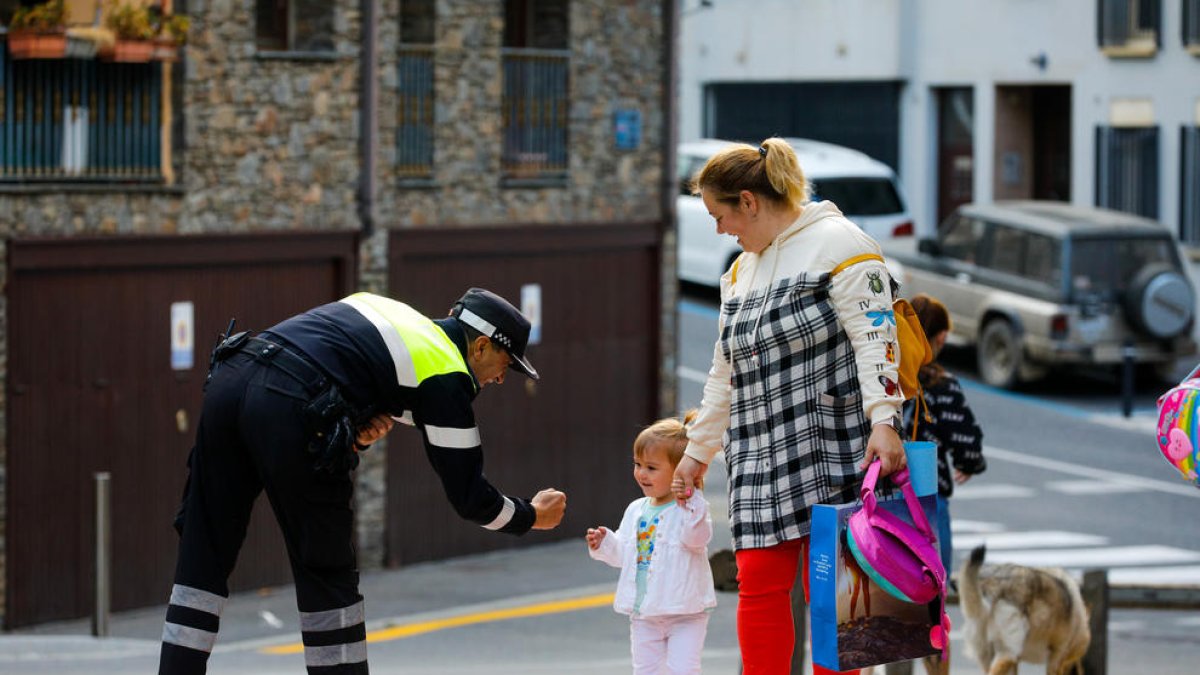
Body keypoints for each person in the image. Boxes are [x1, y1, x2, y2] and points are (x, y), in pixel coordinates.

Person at [158, 288, 568, 675]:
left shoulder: (395, 315)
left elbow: (326, 362)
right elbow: (471, 498)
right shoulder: (446, 372)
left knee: (203, 551)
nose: (501, 378)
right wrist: (532, 515)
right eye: (506, 364)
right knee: (326, 573)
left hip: (232, 374)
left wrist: (352, 427)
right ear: (480, 347)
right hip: (291, 401)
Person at [671, 137, 907, 675]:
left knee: (832, 589)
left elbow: (877, 337)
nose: (720, 230)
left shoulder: (841, 242)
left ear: (748, 202)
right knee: (757, 582)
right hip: (757, 448)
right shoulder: (739, 273)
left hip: (833, 442)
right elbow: (724, 371)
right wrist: (697, 452)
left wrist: (884, 421)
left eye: (720, 216)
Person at [586, 412, 717, 675]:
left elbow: (697, 539)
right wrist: (604, 543)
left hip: (685, 613)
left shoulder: (690, 509)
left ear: (680, 470)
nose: (641, 473)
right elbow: (624, 555)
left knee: (684, 670)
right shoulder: (636, 509)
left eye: (651, 468)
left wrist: (691, 499)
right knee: (646, 670)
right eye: (638, 464)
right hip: (644, 612)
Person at [904, 293, 985, 577]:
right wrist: (969, 463)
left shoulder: (887, 374)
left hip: (883, 494)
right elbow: (967, 438)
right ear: (941, 337)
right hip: (927, 494)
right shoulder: (941, 385)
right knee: (933, 581)